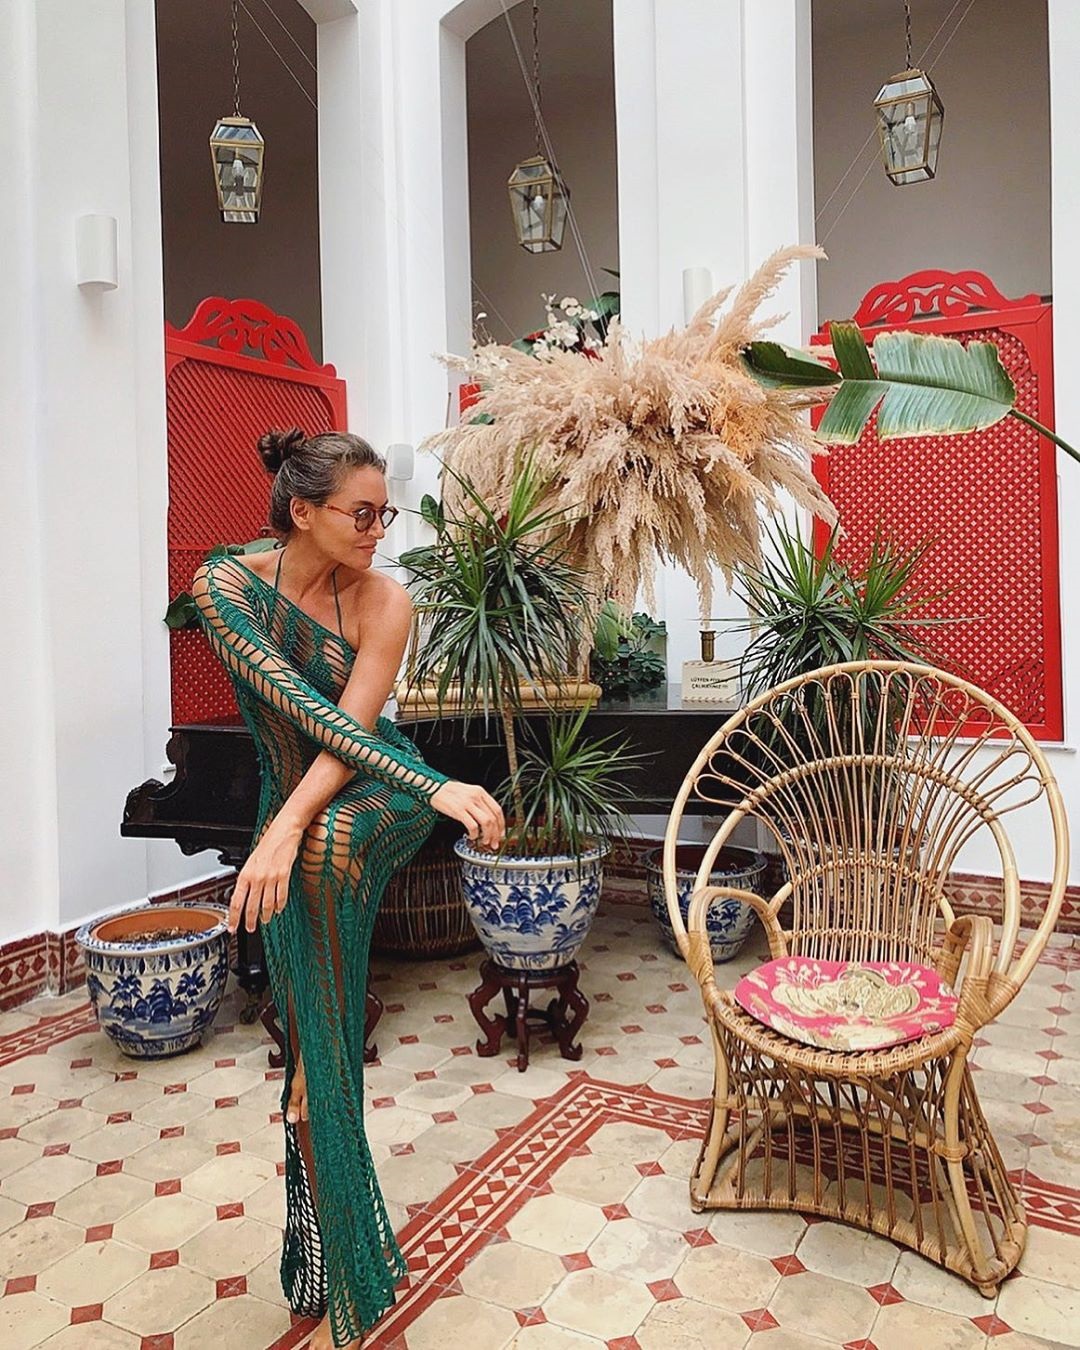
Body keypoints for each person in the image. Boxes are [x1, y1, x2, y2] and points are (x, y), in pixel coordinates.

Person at [191, 427, 504, 1349]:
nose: (378, 532)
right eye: (361, 515)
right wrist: (288, 827)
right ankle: (313, 1143)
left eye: (383, 515)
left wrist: (405, 790)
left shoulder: (387, 602)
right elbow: (294, 709)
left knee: (322, 849)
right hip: (296, 809)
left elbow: (348, 733)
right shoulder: (224, 587)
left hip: (369, 795)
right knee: (315, 1014)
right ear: (302, 511)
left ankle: (313, 1094)